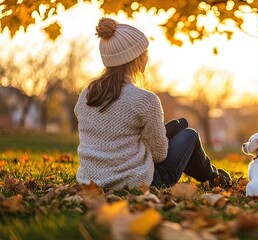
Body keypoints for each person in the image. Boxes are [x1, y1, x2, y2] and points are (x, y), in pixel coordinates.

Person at [74, 17, 231, 190]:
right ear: (137, 58)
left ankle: (213, 176)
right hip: (136, 182)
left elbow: (113, 135)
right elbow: (159, 155)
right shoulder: (145, 100)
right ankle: (213, 177)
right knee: (190, 135)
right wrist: (161, 138)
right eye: (145, 52)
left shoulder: (86, 95)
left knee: (178, 127)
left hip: (89, 181)